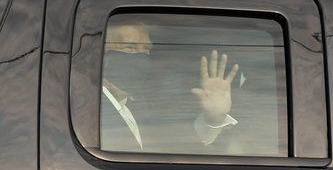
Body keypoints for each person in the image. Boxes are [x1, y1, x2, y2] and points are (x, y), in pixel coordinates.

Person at [101, 20, 241, 153]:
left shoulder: (137, 106)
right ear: (101, 51)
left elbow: (176, 146)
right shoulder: (92, 109)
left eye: (146, 49)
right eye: (129, 47)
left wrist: (213, 118)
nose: (141, 55)